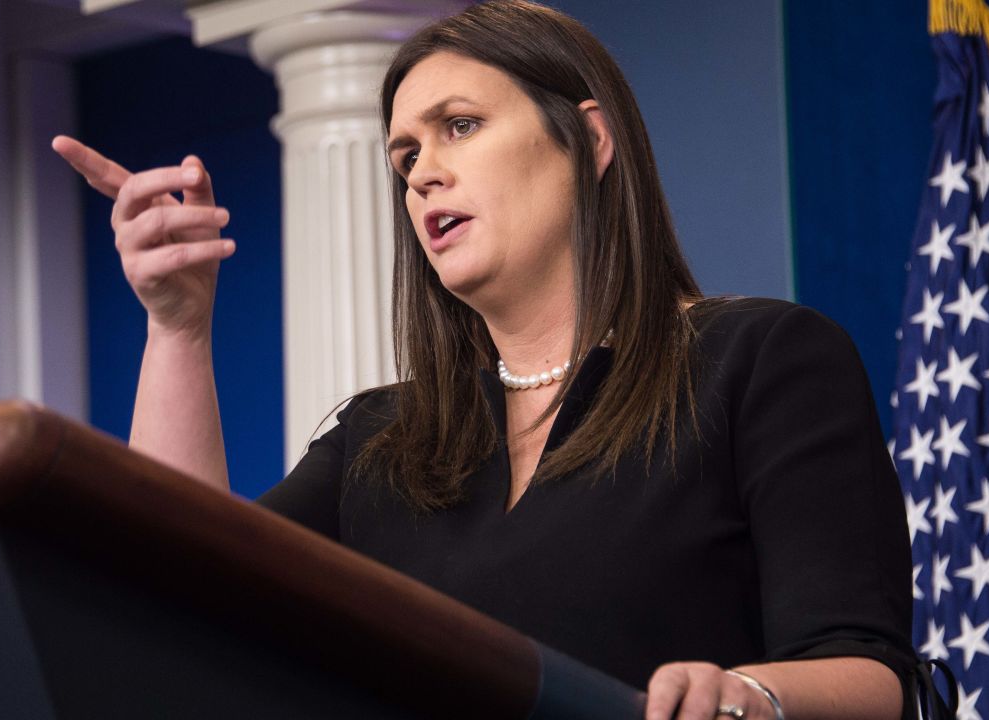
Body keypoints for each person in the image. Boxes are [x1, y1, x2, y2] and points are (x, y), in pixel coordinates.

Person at [53, 2, 922, 718]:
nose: (423, 172)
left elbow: (869, 675)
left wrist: (744, 697)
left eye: (459, 127)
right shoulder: (381, 440)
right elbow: (183, 594)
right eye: (405, 156)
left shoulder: (760, 360)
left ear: (589, 140)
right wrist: (177, 328)